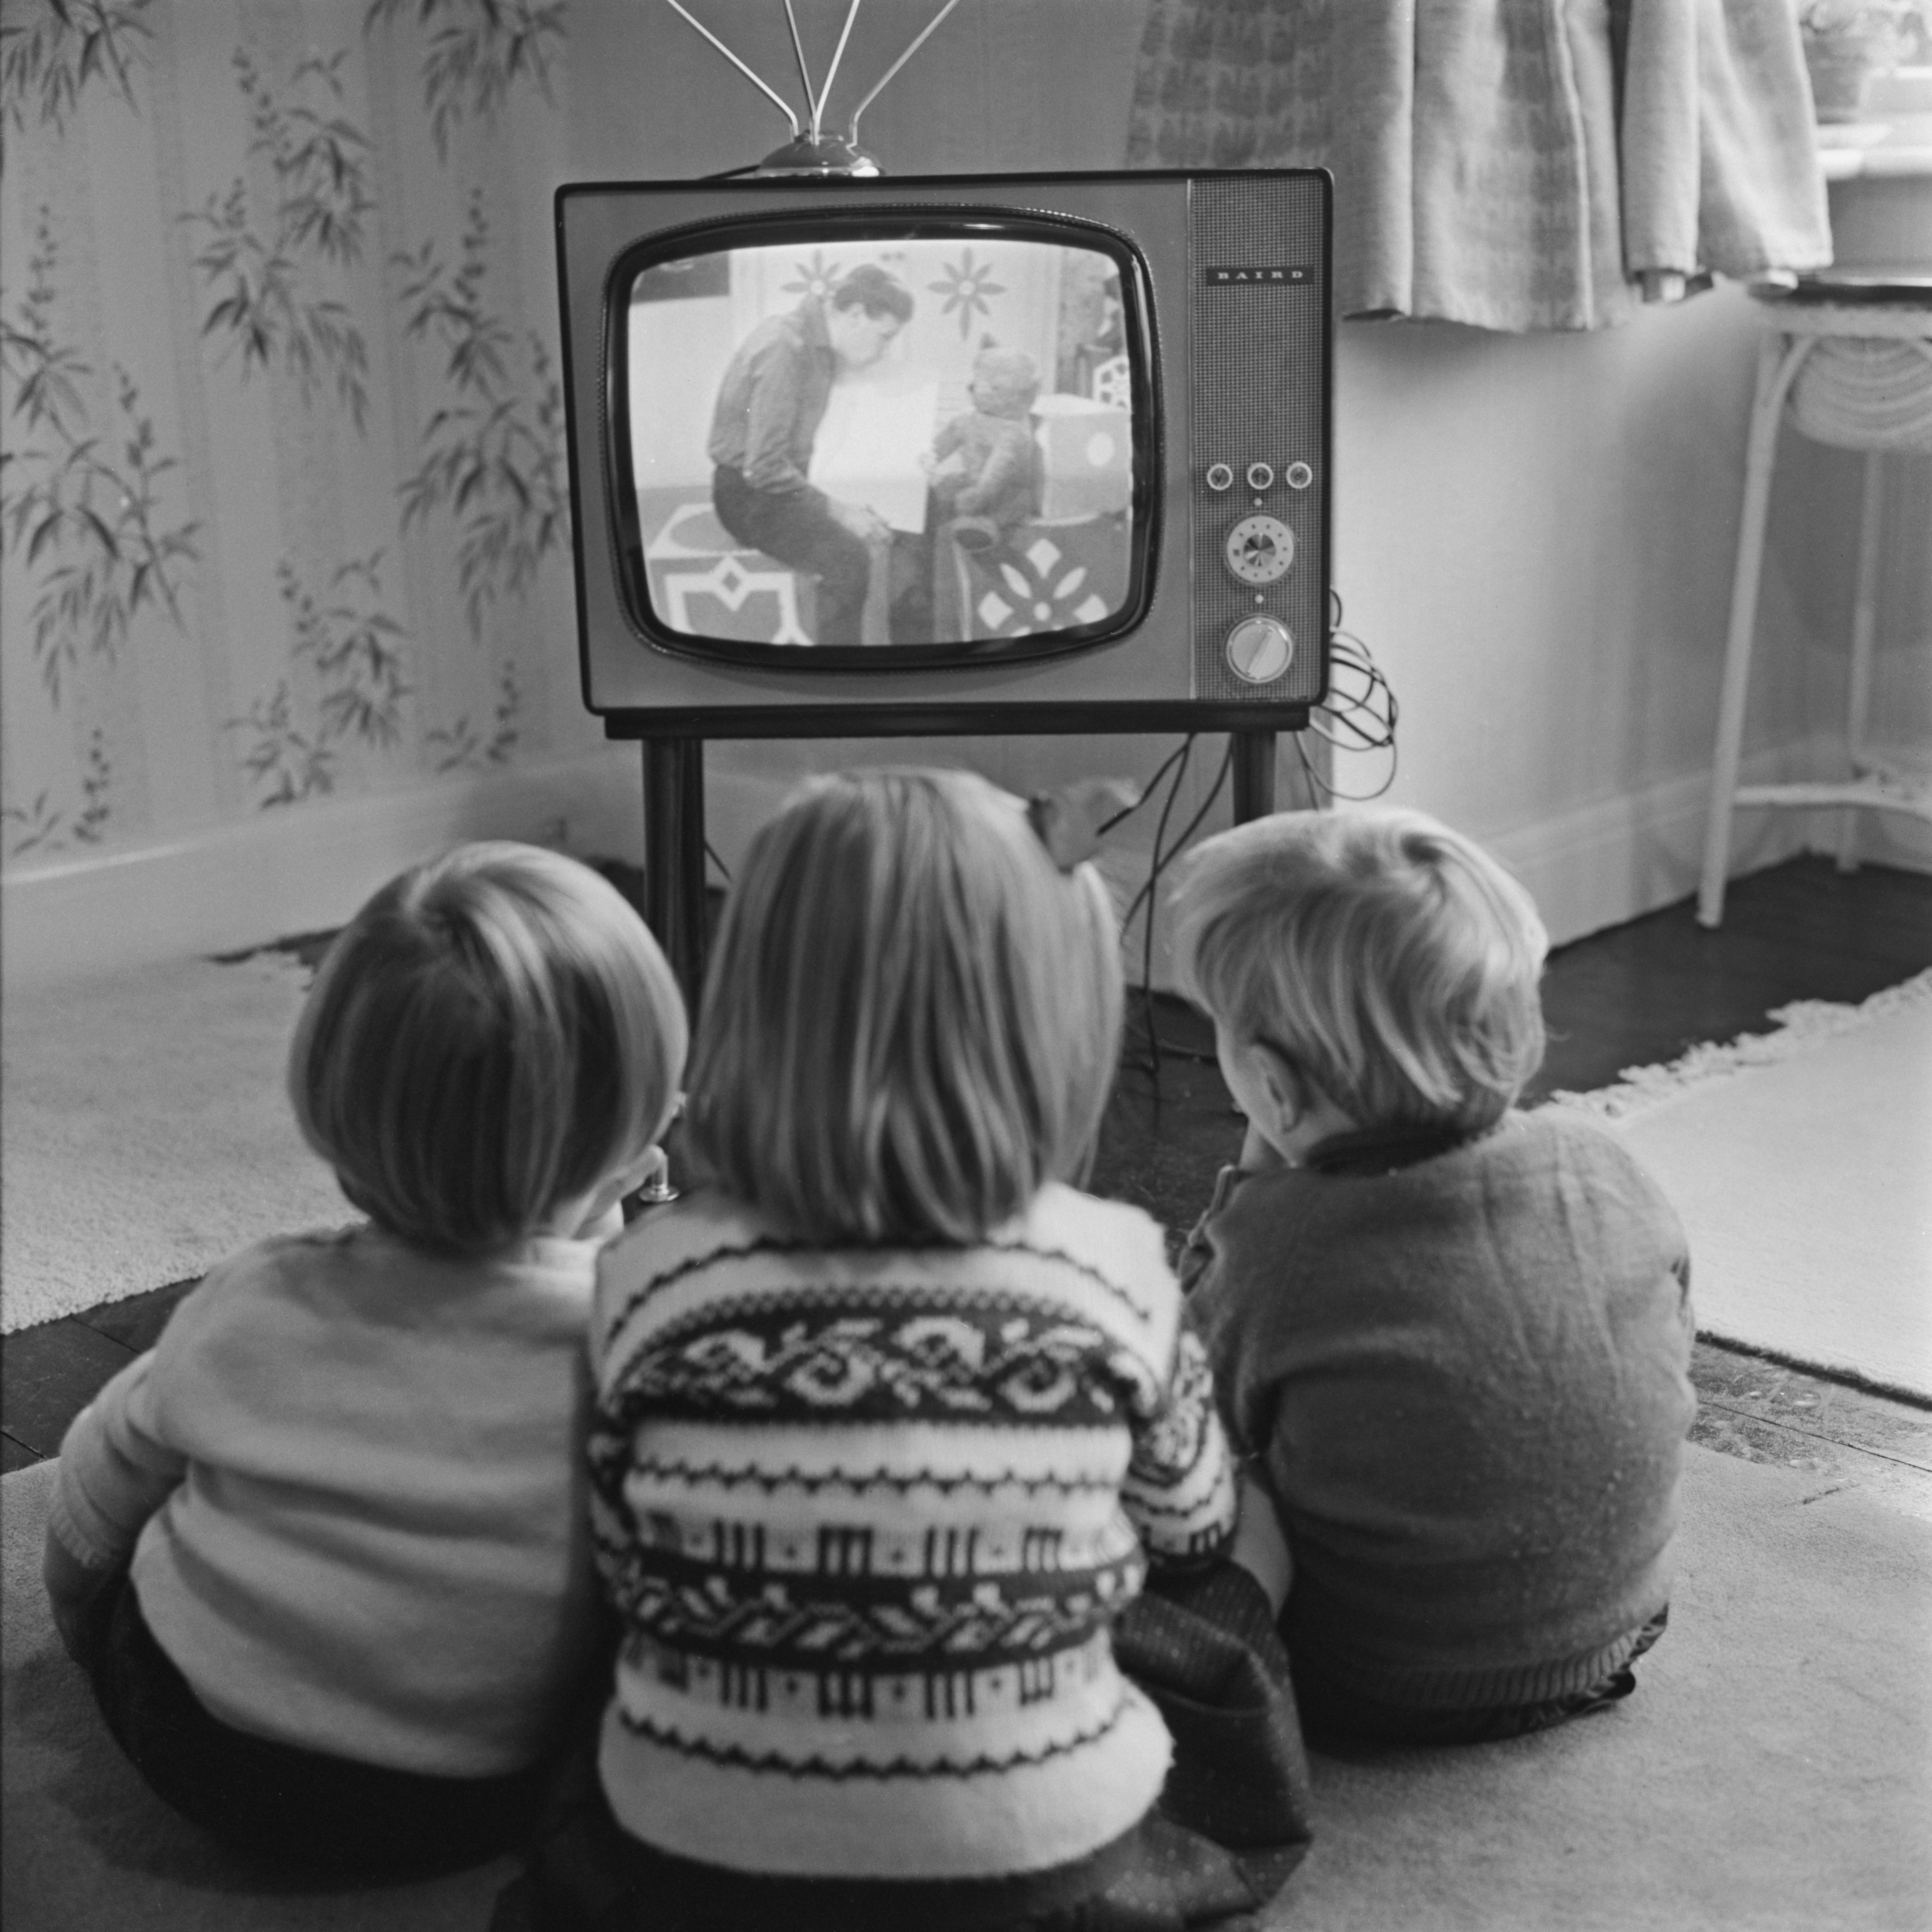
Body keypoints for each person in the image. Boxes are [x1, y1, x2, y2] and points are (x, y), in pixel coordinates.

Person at [517, 768, 1254, 1932]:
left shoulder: (652, 1267)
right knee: (1232, 1608)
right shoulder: (1114, 1263)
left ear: (755, 1000)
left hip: (689, 1869)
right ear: (1064, 1022)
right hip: (1041, 1877)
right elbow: (1192, 1527)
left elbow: (621, 1542)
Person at [41, 843, 688, 1878]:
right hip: (483, 1789)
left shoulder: (257, 1296)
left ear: (334, 1114)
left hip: (204, 1746)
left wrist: (84, 1621)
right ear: (628, 1152)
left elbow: (92, 1494)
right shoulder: (635, 1344)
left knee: (161, 1468)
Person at [1168, 806, 1697, 1748]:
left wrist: (1249, 1192)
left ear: (1274, 1088)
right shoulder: (1605, 1164)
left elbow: (1189, 1409)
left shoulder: (1285, 1243)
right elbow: (1671, 1329)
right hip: (1618, 1631)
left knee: (1196, 1490)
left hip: (1369, 1681)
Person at [708, 263, 915, 644]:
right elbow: (764, 468)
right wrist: (840, 510)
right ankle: (841, 680)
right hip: (750, 496)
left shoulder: (819, 342)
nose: (885, 351)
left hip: (790, 482)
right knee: (850, 561)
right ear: (855, 316)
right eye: (885, 337)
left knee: (904, 527)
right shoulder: (784, 348)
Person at [927, 344, 1043, 538]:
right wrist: (922, 463)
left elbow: (999, 470)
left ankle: (982, 529)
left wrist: (980, 494)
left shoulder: (1013, 430)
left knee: (1001, 507)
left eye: (995, 387)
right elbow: (938, 447)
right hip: (972, 483)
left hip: (1004, 498)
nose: (975, 387)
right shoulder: (968, 419)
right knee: (940, 494)